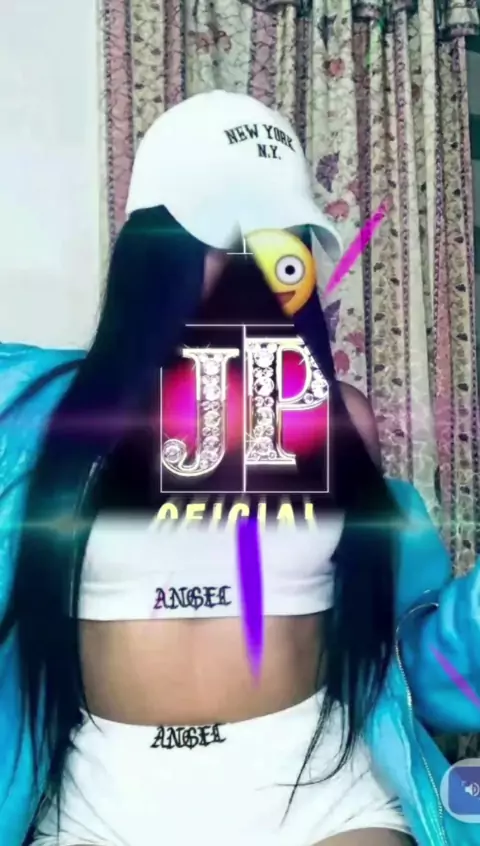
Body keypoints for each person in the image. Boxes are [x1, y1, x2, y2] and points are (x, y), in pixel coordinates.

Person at [0, 90, 479, 846]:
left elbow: (413, 644)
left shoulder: (338, 416)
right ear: (153, 252)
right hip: (103, 805)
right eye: (227, 241)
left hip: (318, 795)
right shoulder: (46, 416)